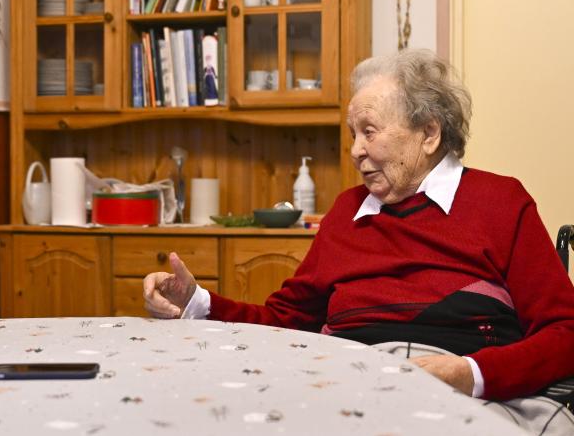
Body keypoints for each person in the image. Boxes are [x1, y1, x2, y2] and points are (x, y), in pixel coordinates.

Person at [143, 49, 574, 433]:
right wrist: (196, 302)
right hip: (348, 388)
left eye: (369, 131)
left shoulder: (499, 202)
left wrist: (470, 373)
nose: (354, 151)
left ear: (429, 133)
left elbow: (565, 331)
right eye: (352, 134)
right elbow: (286, 321)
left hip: (464, 394)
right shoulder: (348, 211)